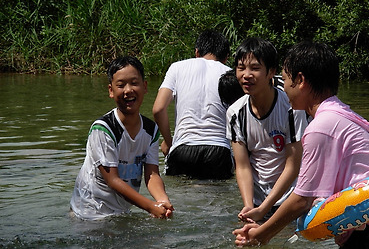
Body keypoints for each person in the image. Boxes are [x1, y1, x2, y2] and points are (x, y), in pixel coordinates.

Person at [233, 41, 369, 247]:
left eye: (285, 79)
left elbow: (302, 199)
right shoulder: (341, 113)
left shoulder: (321, 126)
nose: (283, 87)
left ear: (300, 80)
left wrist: (261, 234)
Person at [70, 56, 173, 220]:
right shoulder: (103, 129)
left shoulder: (151, 130)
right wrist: (150, 206)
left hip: (121, 211)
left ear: (145, 86)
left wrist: (162, 200)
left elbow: (152, 174)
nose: (128, 90)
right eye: (120, 85)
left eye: (134, 83)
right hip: (90, 212)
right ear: (111, 90)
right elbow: (113, 180)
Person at [226, 37, 308, 224]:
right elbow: (243, 166)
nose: (246, 75)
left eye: (255, 68)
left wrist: (265, 208)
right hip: (257, 200)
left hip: (289, 197)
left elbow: (293, 166)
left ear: (271, 72)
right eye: (241, 68)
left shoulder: (291, 107)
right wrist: (249, 207)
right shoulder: (235, 113)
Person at [152, 29, 233, 179]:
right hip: (219, 151)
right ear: (226, 57)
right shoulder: (230, 73)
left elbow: (158, 109)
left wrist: (170, 143)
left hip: (182, 149)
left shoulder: (177, 67)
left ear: (197, 52)